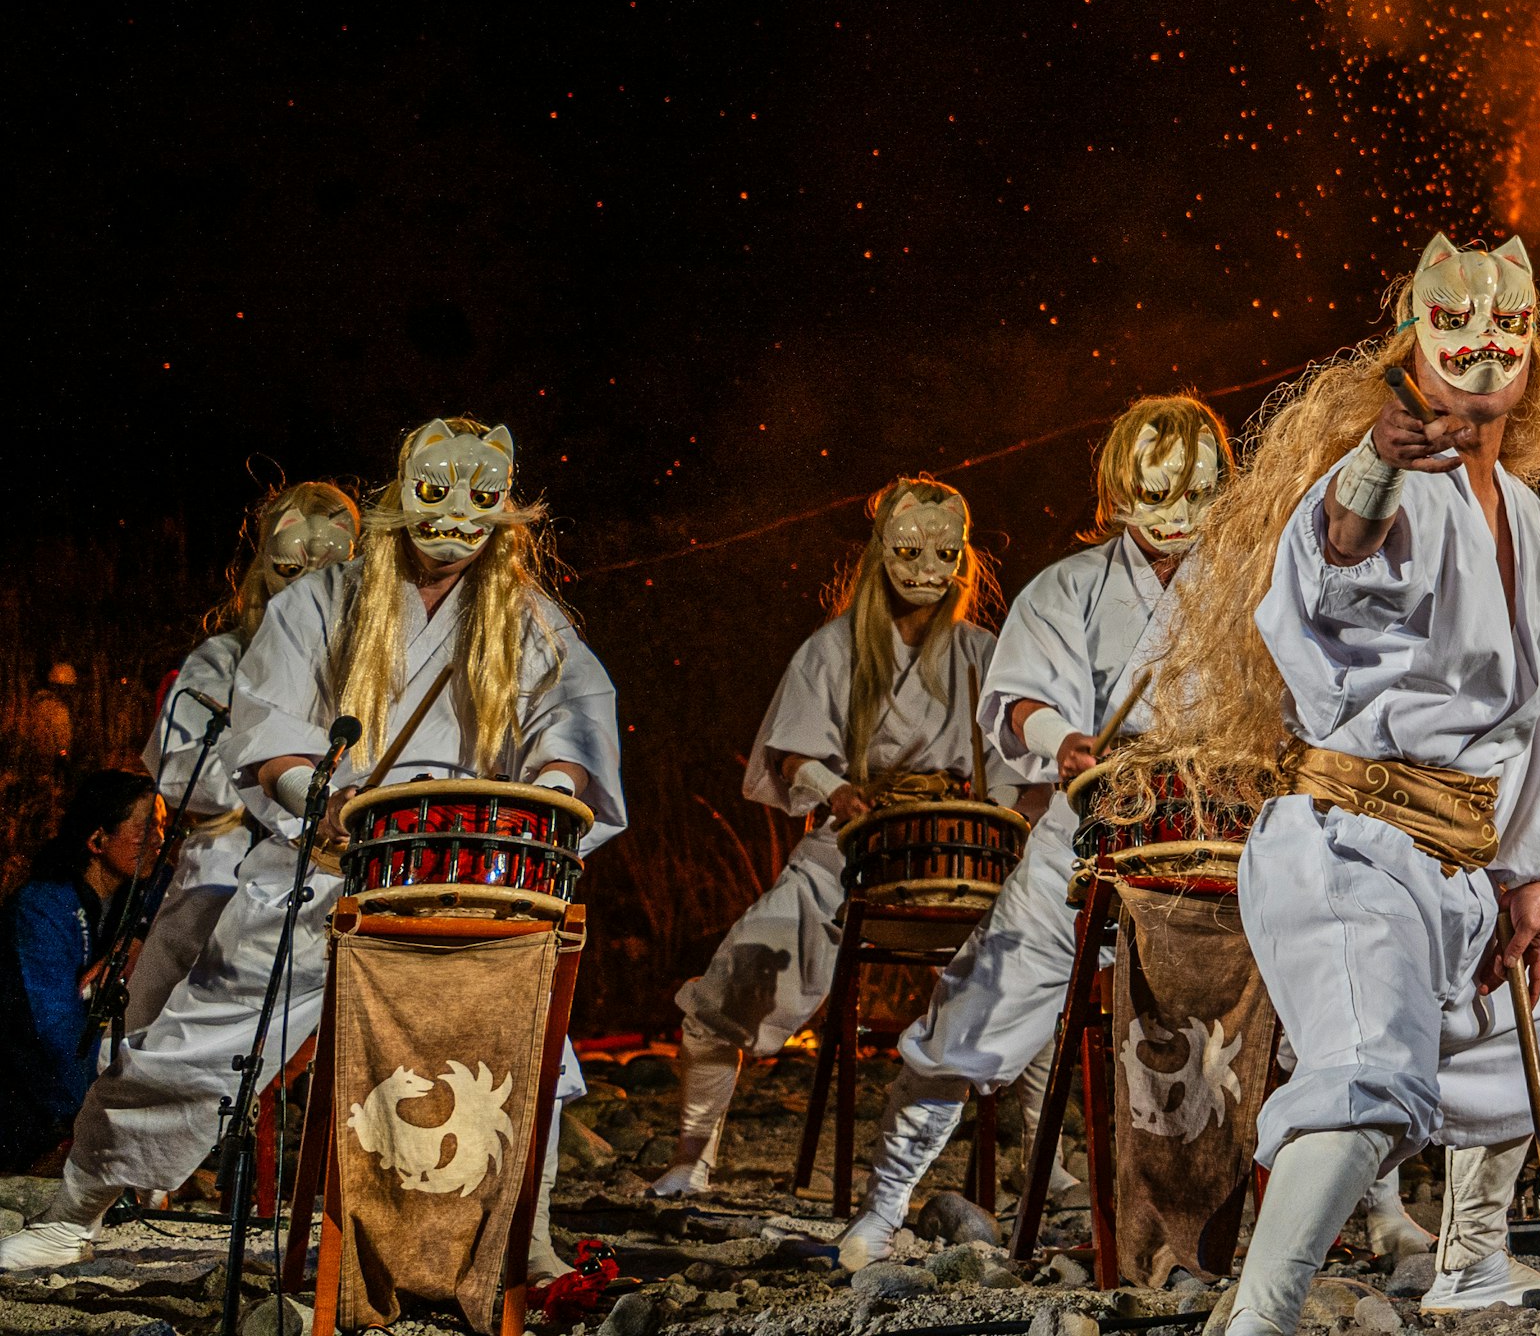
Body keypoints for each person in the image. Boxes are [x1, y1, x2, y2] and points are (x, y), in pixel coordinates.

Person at [1, 418, 624, 1277]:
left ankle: (526, 1239)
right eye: (435, 493)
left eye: (480, 499)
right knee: (199, 1033)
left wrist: (553, 791)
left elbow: (573, 723)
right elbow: (269, 731)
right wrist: (320, 798)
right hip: (327, 862)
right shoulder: (322, 602)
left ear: (507, 510)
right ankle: (78, 1208)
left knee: (530, 1052)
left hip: (456, 871)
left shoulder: (528, 618)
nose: (454, 519)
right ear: (401, 496)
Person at [1163, 234, 1540, 1331]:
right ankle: (1260, 1317)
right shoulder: (1385, 480)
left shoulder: (1528, 518)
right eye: (1455, 329)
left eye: (1508, 330)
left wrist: (1530, 878)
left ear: (1533, 350)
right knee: (1366, 1079)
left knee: (1516, 1042)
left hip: (1458, 857)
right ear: (1415, 344)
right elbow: (1339, 555)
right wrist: (1379, 460)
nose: (1483, 348)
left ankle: (1472, 1265)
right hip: (1349, 846)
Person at [829, 397, 1229, 1266]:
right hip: (1085, 844)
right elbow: (1019, 700)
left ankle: (1326, 1214)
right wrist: (1064, 740)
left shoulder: (1247, 589)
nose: (1177, 519)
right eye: (1157, 496)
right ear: (1119, 492)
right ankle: (886, 1203)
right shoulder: (1067, 589)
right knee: (972, 1016)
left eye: (1198, 495)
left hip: (1216, 849)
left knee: (1291, 1016)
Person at [656, 476, 998, 1197]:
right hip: (851, 849)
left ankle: (1043, 1163)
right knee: (735, 976)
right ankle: (692, 1152)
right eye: (909, 550)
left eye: (943, 553)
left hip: (961, 858)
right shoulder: (835, 647)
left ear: (961, 559)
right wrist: (837, 790)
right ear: (881, 554)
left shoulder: (980, 652)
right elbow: (791, 755)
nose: (926, 568)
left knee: (1024, 982)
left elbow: (1012, 766)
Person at [113, 482, 363, 1052]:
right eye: (288, 567)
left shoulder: (373, 675)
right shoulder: (220, 661)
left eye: (326, 572)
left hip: (336, 884)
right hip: (220, 882)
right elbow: (177, 773)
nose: (305, 588)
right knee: (159, 1046)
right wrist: (268, 763)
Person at [1, 774, 161, 1171]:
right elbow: (54, 1027)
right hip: (26, 1092)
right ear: (97, 841)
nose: (160, 840)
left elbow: (175, 884)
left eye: (162, 826)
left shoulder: (127, 897)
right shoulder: (44, 907)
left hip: (73, 1085)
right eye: (145, 829)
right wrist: (92, 1114)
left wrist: (138, 938)